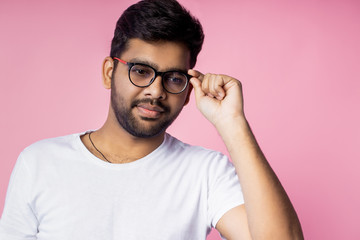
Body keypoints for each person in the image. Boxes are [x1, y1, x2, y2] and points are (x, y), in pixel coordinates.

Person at [0, 0, 303, 239]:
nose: (156, 91)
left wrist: (233, 123)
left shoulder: (205, 173)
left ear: (187, 91)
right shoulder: (39, 162)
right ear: (110, 72)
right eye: (141, 71)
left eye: (173, 78)